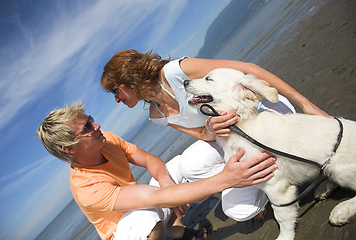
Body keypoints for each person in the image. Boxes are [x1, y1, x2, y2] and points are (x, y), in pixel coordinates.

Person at [100, 49, 330, 221]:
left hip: (265, 116)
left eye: (115, 91)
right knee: (229, 202)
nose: (116, 99)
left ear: (128, 78)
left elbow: (250, 71)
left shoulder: (175, 71)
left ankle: (284, 171)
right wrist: (211, 128)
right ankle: (262, 181)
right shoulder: (157, 114)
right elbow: (204, 134)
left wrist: (306, 105)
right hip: (240, 138)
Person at [36, 102, 277, 240]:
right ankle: (170, 231)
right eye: (87, 127)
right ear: (69, 148)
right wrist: (225, 180)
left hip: (143, 201)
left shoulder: (105, 139)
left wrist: (166, 182)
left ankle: (173, 229)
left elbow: (151, 161)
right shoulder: (85, 187)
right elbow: (152, 199)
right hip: (126, 230)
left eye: (91, 119)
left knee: (178, 166)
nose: (97, 125)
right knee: (147, 219)